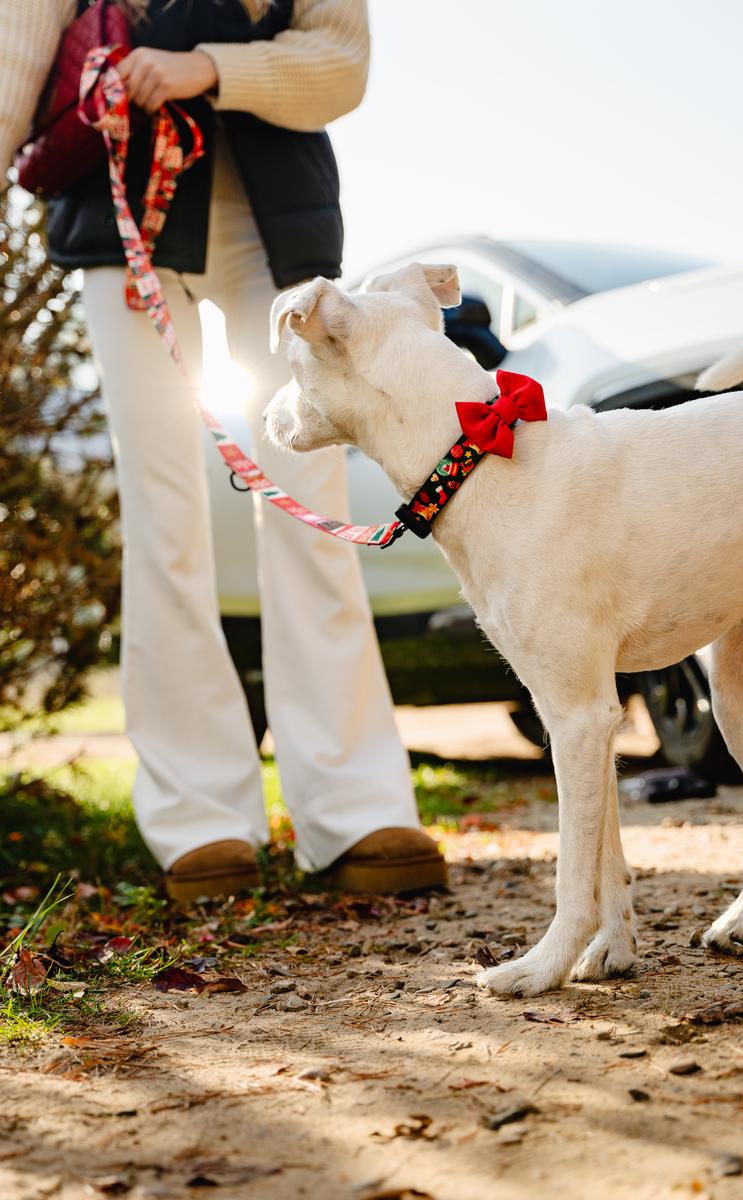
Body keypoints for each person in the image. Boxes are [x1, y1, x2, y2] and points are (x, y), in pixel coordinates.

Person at [0, 0, 447, 900]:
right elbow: (15, 62)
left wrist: (207, 66)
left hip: (277, 221)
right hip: (124, 208)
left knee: (312, 501)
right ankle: (198, 816)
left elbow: (343, 61)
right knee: (161, 515)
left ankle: (356, 805)